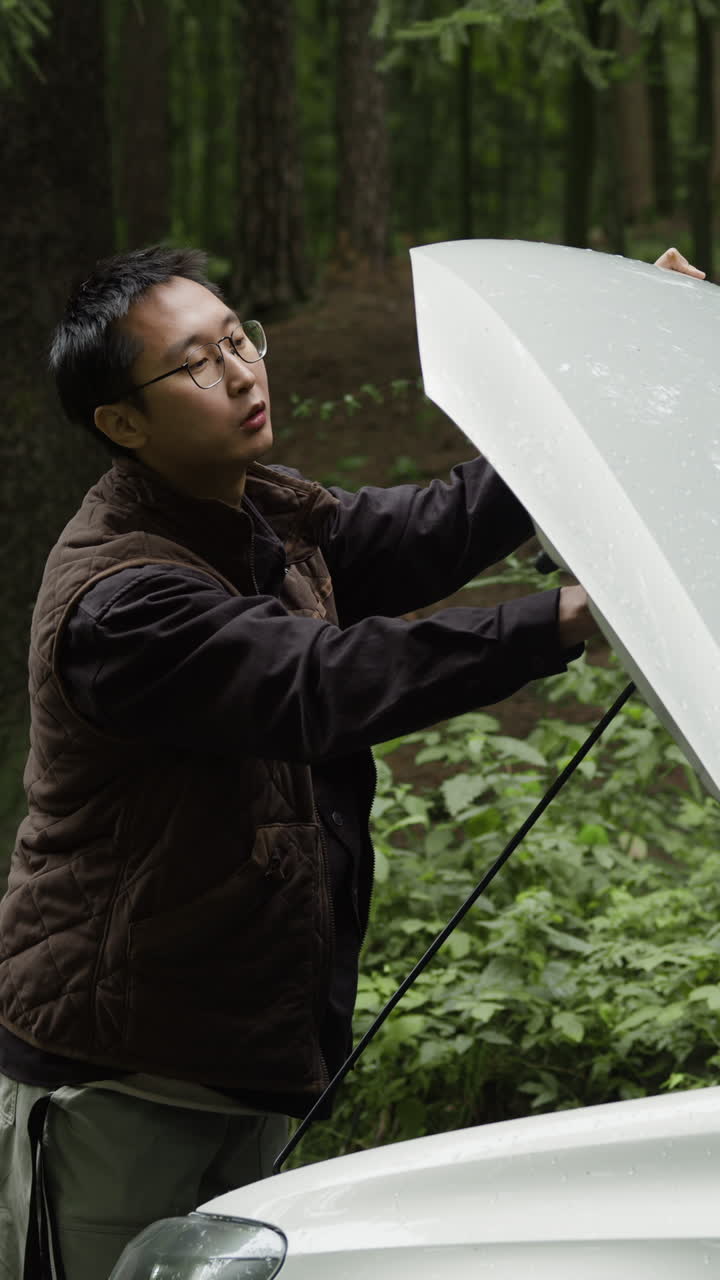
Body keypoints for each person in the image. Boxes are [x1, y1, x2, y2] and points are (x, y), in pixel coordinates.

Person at [0, 242, 700, 1280]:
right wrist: (557, 617)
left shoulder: (259, 516)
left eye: (240, 337)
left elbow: (432, 526)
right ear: (122, 422)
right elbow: (320, 681)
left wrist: (623, 374)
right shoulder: (121, 601)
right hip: (123, 1085)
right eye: (196, 362)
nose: (241, 369)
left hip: (240, 1060)